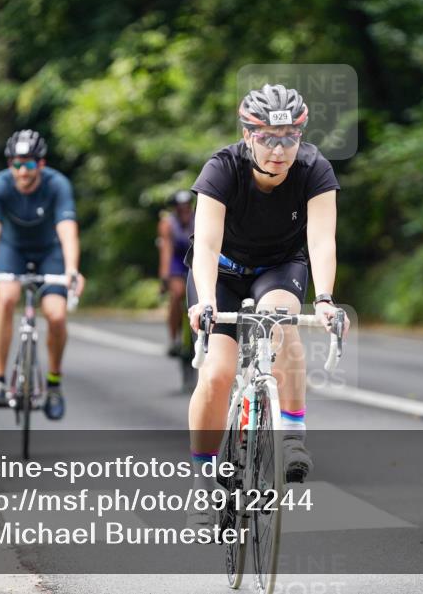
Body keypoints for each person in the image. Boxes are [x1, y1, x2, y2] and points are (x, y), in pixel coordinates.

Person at [185, 84, 348, 529]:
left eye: (289, 138)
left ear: (301, 136)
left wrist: (326, 299)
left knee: (281, 322)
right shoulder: (222, 169)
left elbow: (320, 239)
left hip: (279, 266)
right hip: (220, 271)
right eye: (267, 139)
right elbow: (205, 243)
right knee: (217, 374)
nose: (279, 151)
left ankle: (292, 434)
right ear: (247, 135)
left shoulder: (315, 168)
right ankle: (203, 479)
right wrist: (203, 300)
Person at [0, 130, 85, 420]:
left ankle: (54, 384)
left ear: (42, 164)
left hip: (50, 252)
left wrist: (72, 268)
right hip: (13, 250)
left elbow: (67, 230)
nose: (23, 172)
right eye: (17, 164)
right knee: (7, 297)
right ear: (9, 164)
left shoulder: (58, 184)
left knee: (57, 315)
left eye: (30, 165)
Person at [157, 190, 194, 357]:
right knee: (177, 293)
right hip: (177, 260)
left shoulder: (199, 218)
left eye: (187, 207)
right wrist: (164, 277)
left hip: (195, 257)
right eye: (181, 208)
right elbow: (166, 251)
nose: (185, 211)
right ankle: (174, 339)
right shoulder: (168, 223)